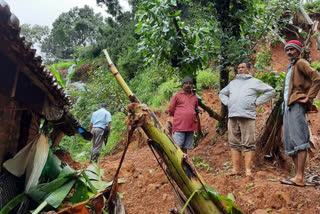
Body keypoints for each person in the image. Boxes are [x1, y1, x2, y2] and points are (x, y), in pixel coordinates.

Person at [219, 62, 275, 176]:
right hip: (233, 115)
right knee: (234, 143)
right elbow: (222, 93)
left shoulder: (254, 82)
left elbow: (270, 91)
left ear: (249, 69)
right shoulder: (233, 83)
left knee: (249, 143)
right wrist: (228, 102)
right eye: (238, 68)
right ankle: (236, 170)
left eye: (243, 67)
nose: (240, 69)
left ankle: (248, 170)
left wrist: (256, 102)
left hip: (247, 116)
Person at [280, 40, 320, 187]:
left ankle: (300, 177)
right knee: (290, 141)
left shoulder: (301, 63)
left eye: (292, 49)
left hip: (297, 105)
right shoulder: (291, 67)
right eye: (287, 50)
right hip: (288, 106)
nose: (289, 52)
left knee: (299, 140)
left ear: (298, 51)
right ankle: (297, 176)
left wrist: (308, 98)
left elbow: (317, 77)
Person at [168, 76, 198, 154]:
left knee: (185, 147)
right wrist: (180, 115)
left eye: (190, 83)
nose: (188, 85)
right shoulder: (177, 96)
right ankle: (177, 164)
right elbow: (171, 109)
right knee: (178, 147)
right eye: (186, 83)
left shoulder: (194, 97)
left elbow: (195, 109)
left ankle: (185, 164)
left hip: (190, 126)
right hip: (180, 125)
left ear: (192, 85)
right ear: (183, 85)